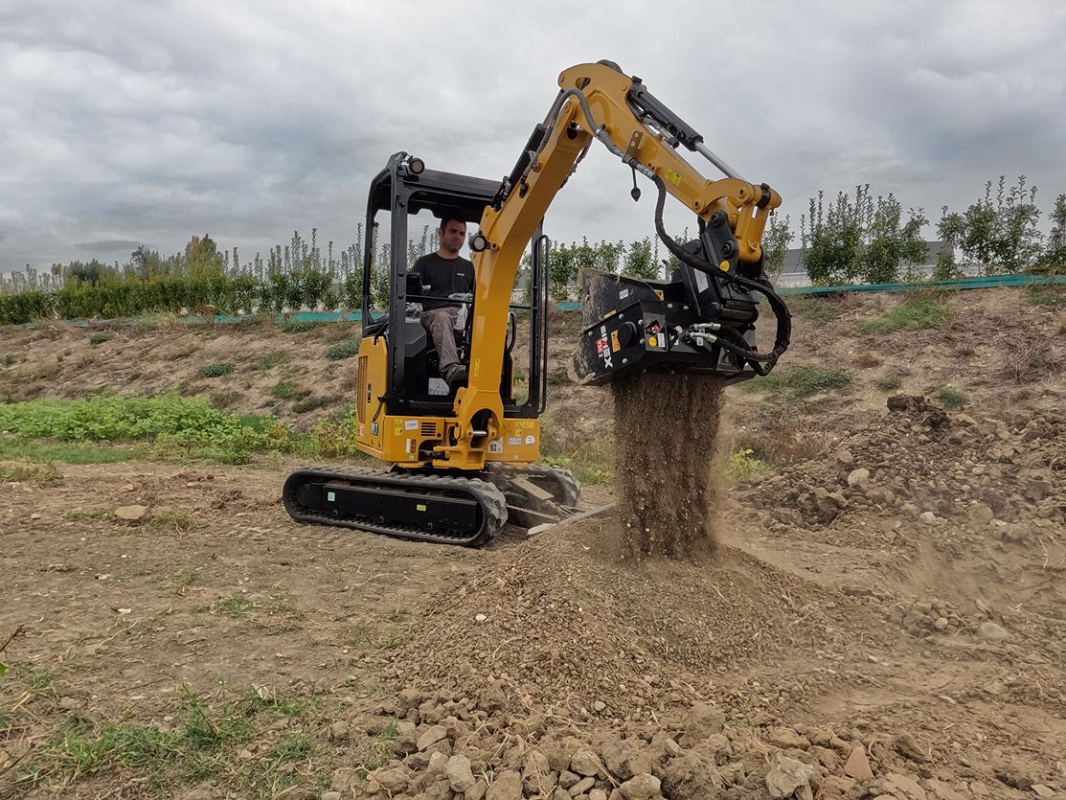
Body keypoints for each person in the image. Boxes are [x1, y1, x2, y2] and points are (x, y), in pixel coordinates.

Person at [409, 216, 474, 387]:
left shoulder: (469, 267)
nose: (458, 236)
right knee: (443, 317)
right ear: (440, 233)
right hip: (432, 315)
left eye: (462, 233)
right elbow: (411, 294)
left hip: (461, 315)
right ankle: (451, 369)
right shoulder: (424, 263)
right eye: (453, 231)